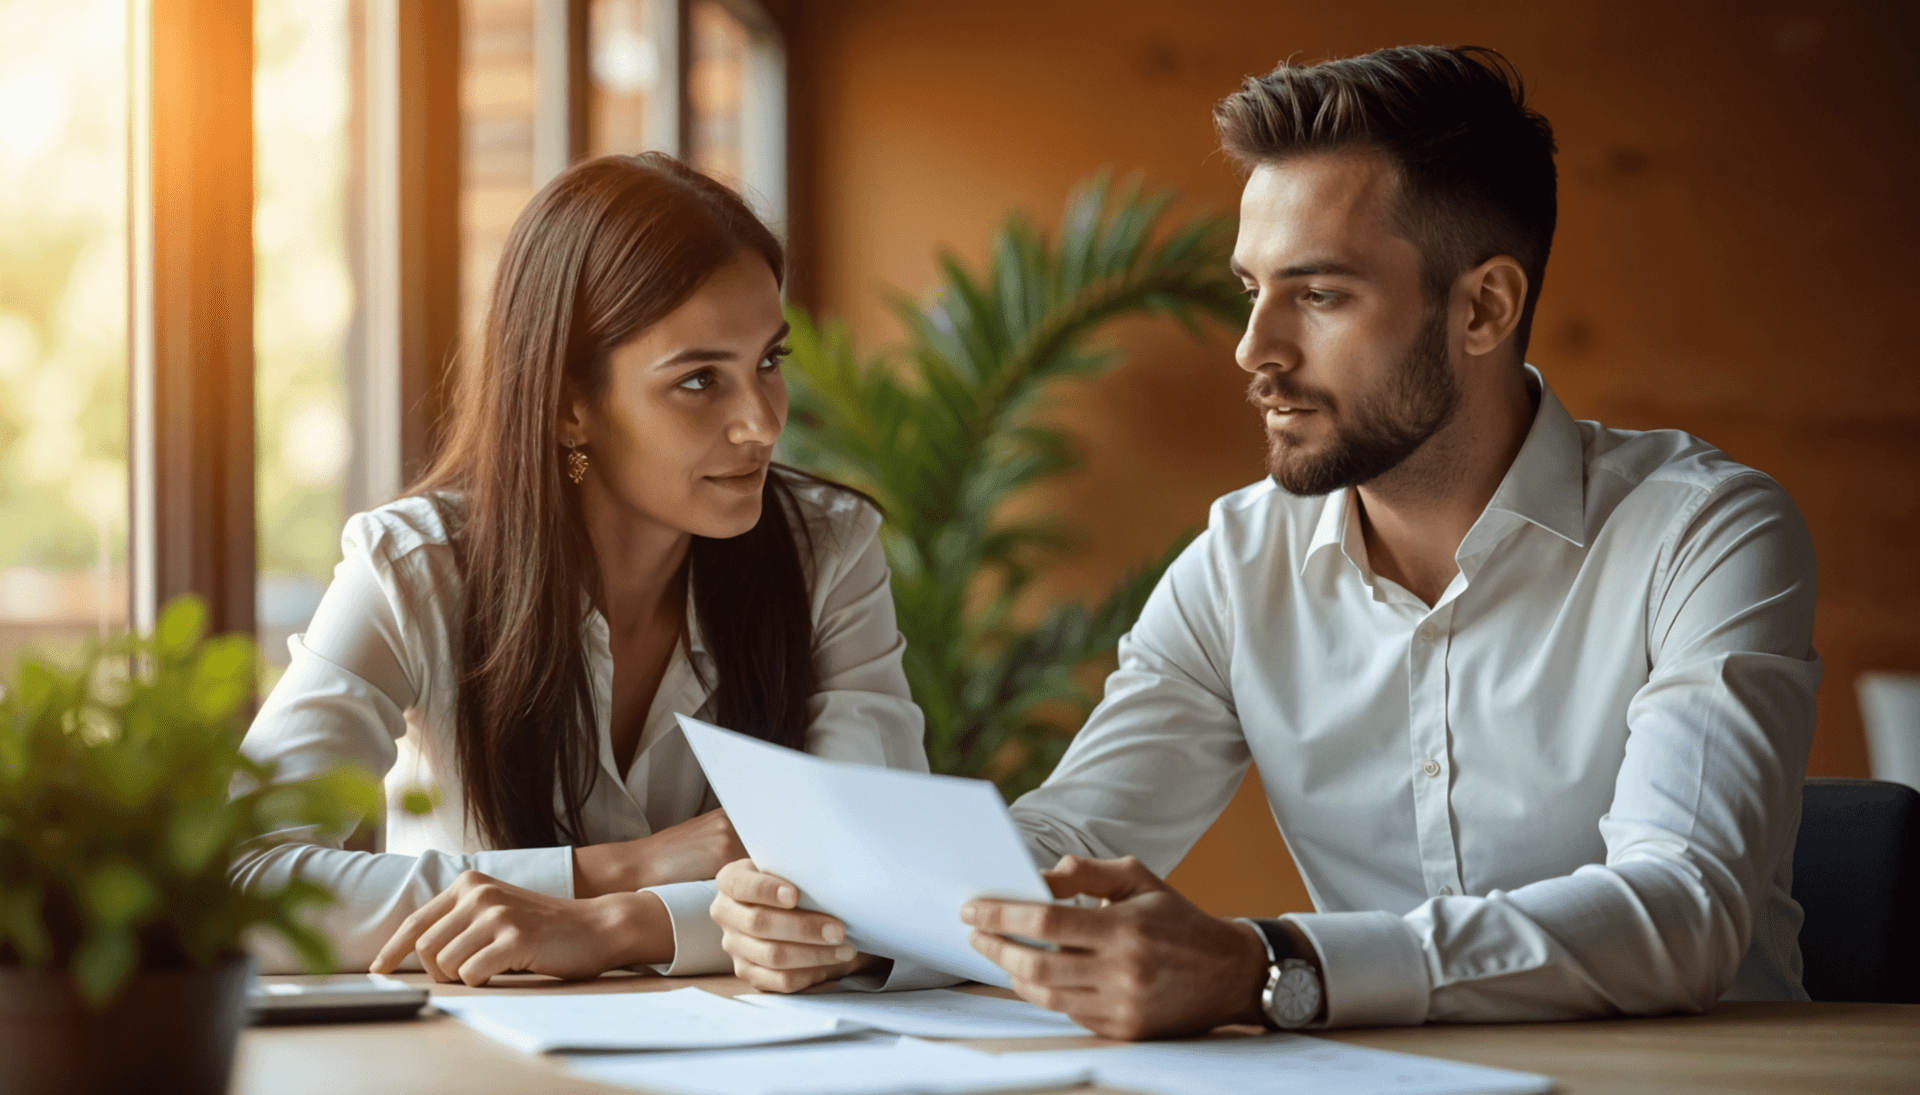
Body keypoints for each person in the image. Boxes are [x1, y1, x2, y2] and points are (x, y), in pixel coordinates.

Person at [709, 45, 1820, 1038]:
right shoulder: (1241, 564)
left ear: (1482, 310)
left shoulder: (1704, 534)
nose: (1252, 350)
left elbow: (1684, 906)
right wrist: (857, 928)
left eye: (1320, 296)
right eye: (1251, 292)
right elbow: (1069, 832)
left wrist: (1272, 965)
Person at [231, 153, 927, 987]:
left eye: (768, 363)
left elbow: (881, 880)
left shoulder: (827, 550)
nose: (761, 424)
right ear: (569, 404)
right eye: (701, 379)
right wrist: (619, 868)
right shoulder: (413, 568)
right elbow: (239, 883)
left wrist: (612, 924)